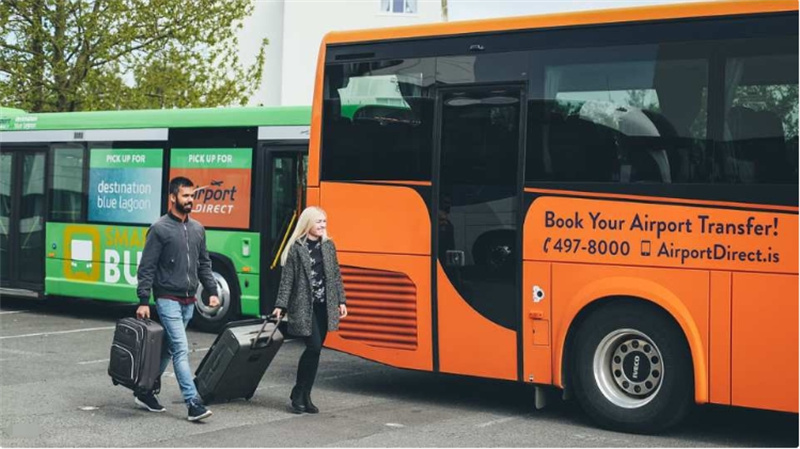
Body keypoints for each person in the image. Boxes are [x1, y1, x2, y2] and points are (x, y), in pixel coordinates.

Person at [135, 176, 220, 422]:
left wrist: (212, 291)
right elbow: (147, 267)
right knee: (181, 349)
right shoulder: (160, 229)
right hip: (167, 298)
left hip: (188, 300)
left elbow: (204, 263)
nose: (190, 200)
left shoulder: (197, 229)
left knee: (168, 349)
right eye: (185, 196)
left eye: (192, 196)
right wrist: (143, 299)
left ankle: (144, 390)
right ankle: (193, 404)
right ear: (172, 198)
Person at [273, 206, 347, 414]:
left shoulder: (329, 246)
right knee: (313, 347)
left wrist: (341, 301)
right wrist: (280, 305)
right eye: (318, 222)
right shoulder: (297, 248)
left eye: (324, 221)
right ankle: (298, 393)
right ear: (308, 224)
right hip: (305, 306)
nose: (322, 225)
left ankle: (306, 395)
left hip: (324, 306)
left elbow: (335, 276)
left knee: (315, 351)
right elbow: (287, 280)